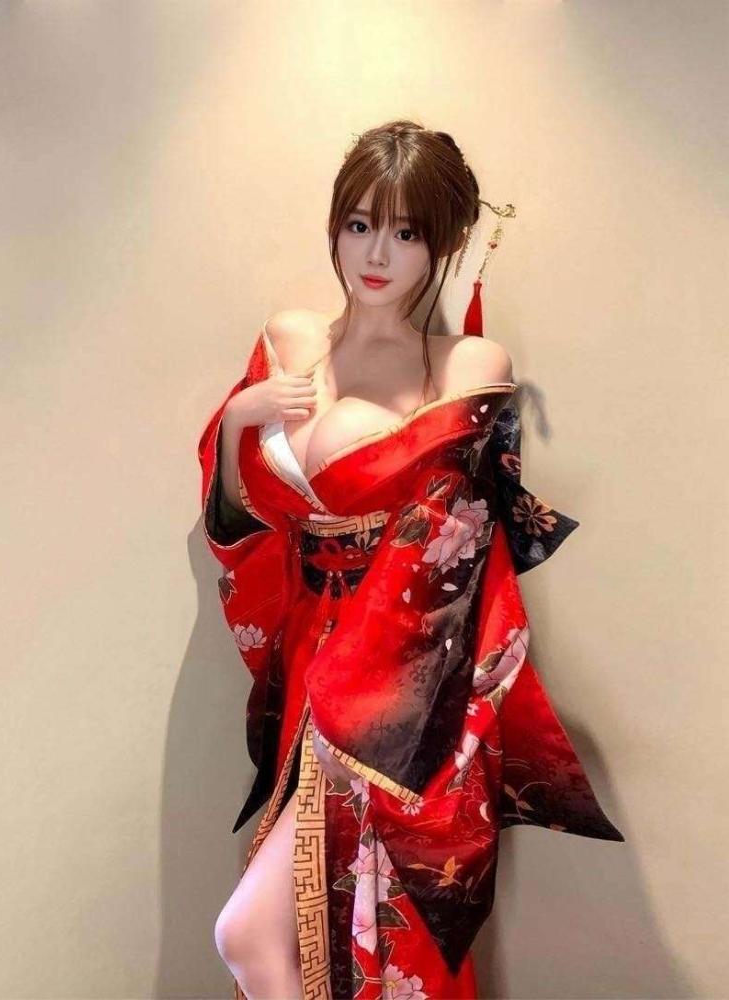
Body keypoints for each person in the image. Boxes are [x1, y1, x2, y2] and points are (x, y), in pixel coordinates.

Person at [198, 120, 624, 1000]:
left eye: (405, 232)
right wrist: (240, 419)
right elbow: (249, 527)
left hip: (402, 677)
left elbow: (452, 542)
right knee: (296, 928)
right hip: (308, 650)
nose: (375, 254)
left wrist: (368, 692)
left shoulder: (463, 364)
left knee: (319, 928)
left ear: (446, 240)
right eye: (358, 225)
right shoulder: (288, 342)